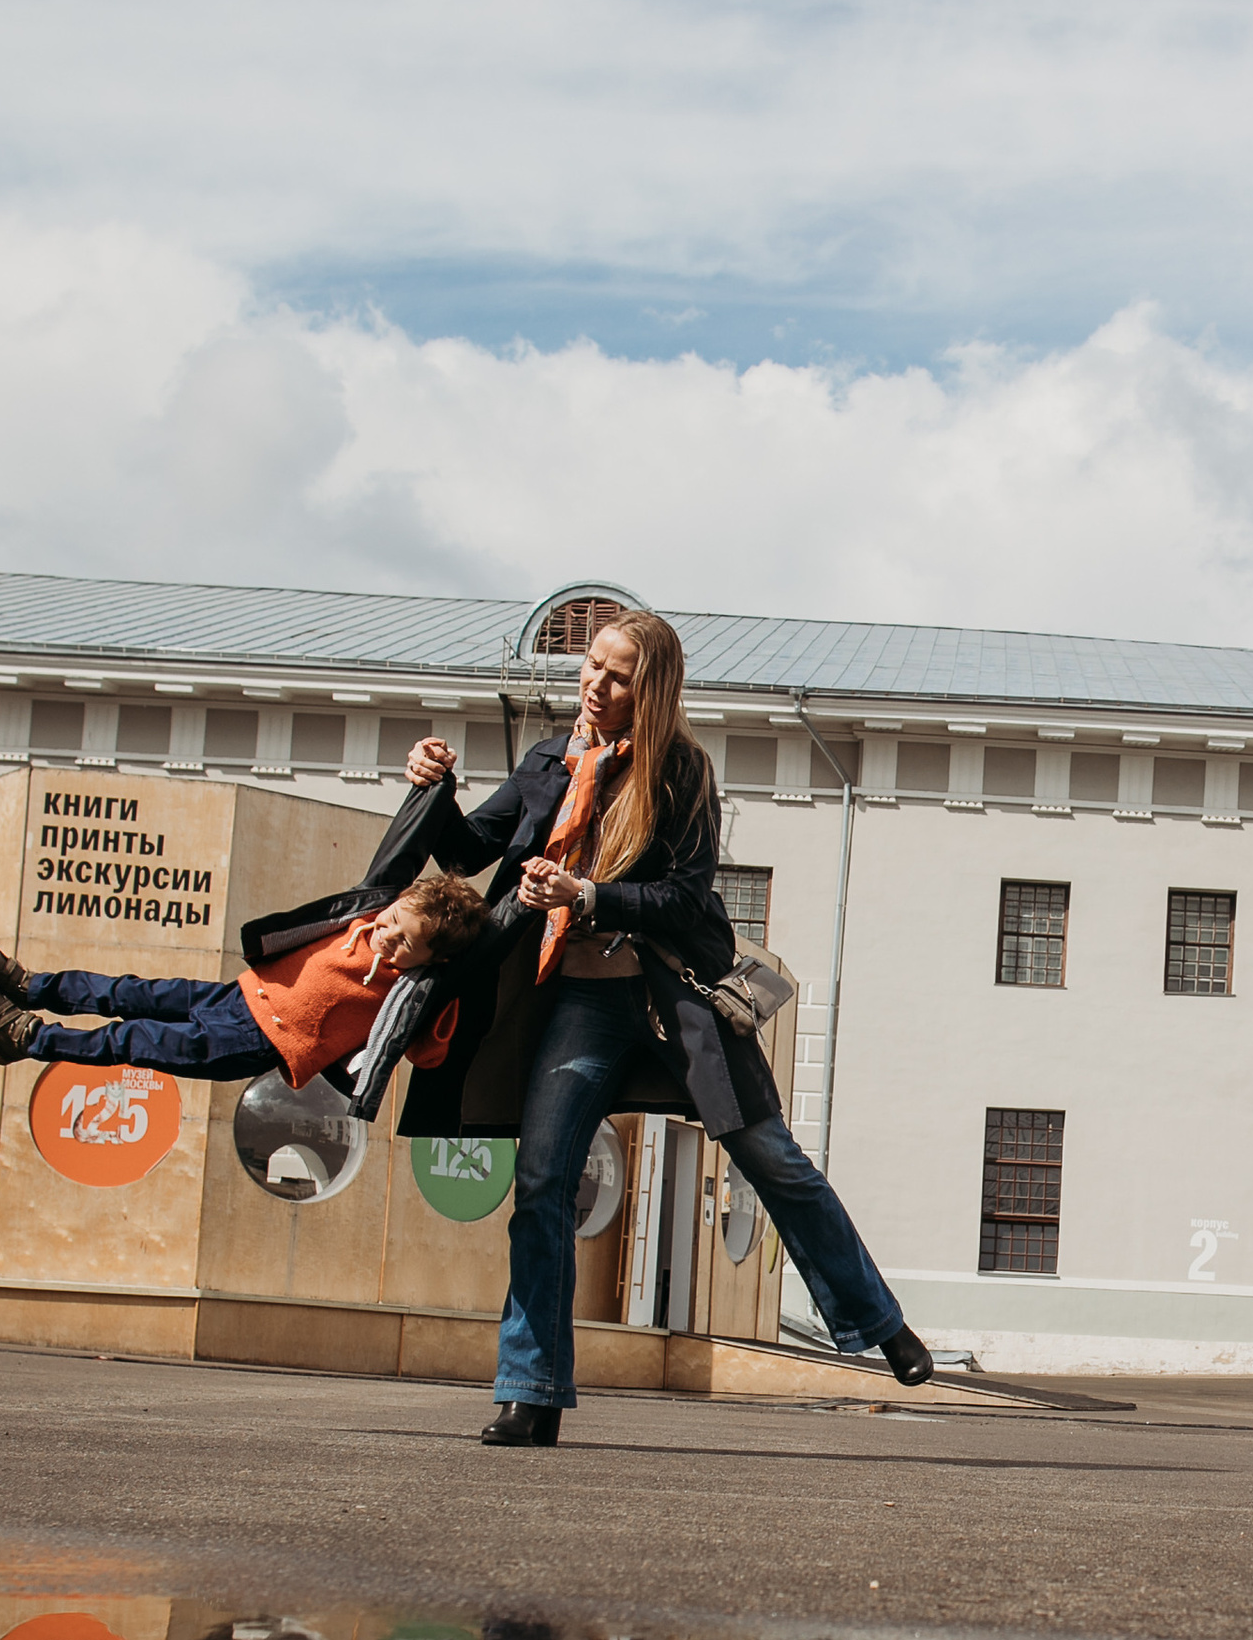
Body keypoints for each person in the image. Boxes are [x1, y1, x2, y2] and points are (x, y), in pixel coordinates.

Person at [389, 605, 929, 1447]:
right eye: (591, 668)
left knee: (772, 1158)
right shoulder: (546, 760)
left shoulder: (680, 772)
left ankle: (878, 1321)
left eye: (616, 676)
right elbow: (464, 853)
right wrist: (432, 785)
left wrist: (588, 895)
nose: (595, 686)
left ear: (652, 690)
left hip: (671, 1002)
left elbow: (686, 895)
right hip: (576, 1009)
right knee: (541, 1183)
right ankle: (530, 1391)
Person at [0, 862, 489, 1091]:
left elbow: (428, 1050)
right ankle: (31, 987)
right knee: (130, 992)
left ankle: (28, 1038)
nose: (388, 937)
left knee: (134, 1038)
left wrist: (446, 990)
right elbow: (397, 858)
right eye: (394, 921)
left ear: (431, 959)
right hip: (236, 995)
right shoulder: (367, 915)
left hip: (255, 1042)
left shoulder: (411, 989)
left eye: (404, 942)